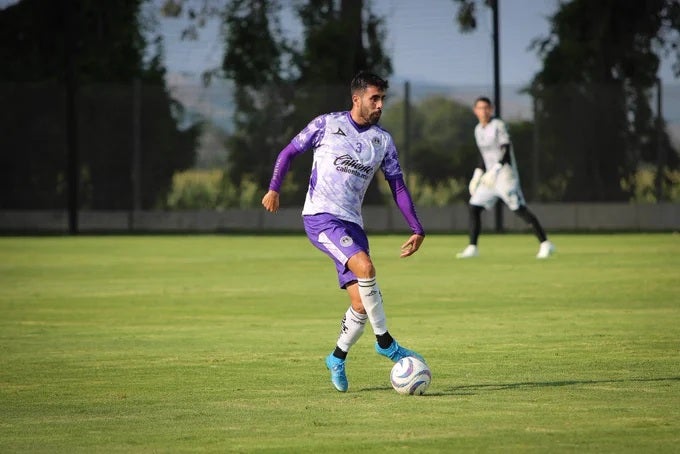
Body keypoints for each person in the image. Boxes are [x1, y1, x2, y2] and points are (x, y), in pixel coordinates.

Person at [261, 71, 426, 393]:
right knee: (366, 268)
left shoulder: (383, 141)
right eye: (373, 98)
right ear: (357, 99)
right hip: (321, 218)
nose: (379, 105)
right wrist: (273, 189)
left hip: (352, 224)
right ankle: (386, 343)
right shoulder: (326, 124)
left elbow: (398, 186)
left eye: (382, 99)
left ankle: (336, 358)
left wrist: (417, 227)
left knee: (362, 303)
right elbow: (288, 153)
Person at [456, 96, 555, 259]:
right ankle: (472, 247)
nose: (483, 111)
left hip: (505, 176)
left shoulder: (498, 125)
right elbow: (483, 156)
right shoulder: (478, 130)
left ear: (491, 109)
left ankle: (545, 243)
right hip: (489, 178)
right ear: (475, 111)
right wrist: (477, 175)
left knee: (518, 209)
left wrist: (495, 170)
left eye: (486, 108)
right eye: (480, 108)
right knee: (474, 207)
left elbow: (506, 151)